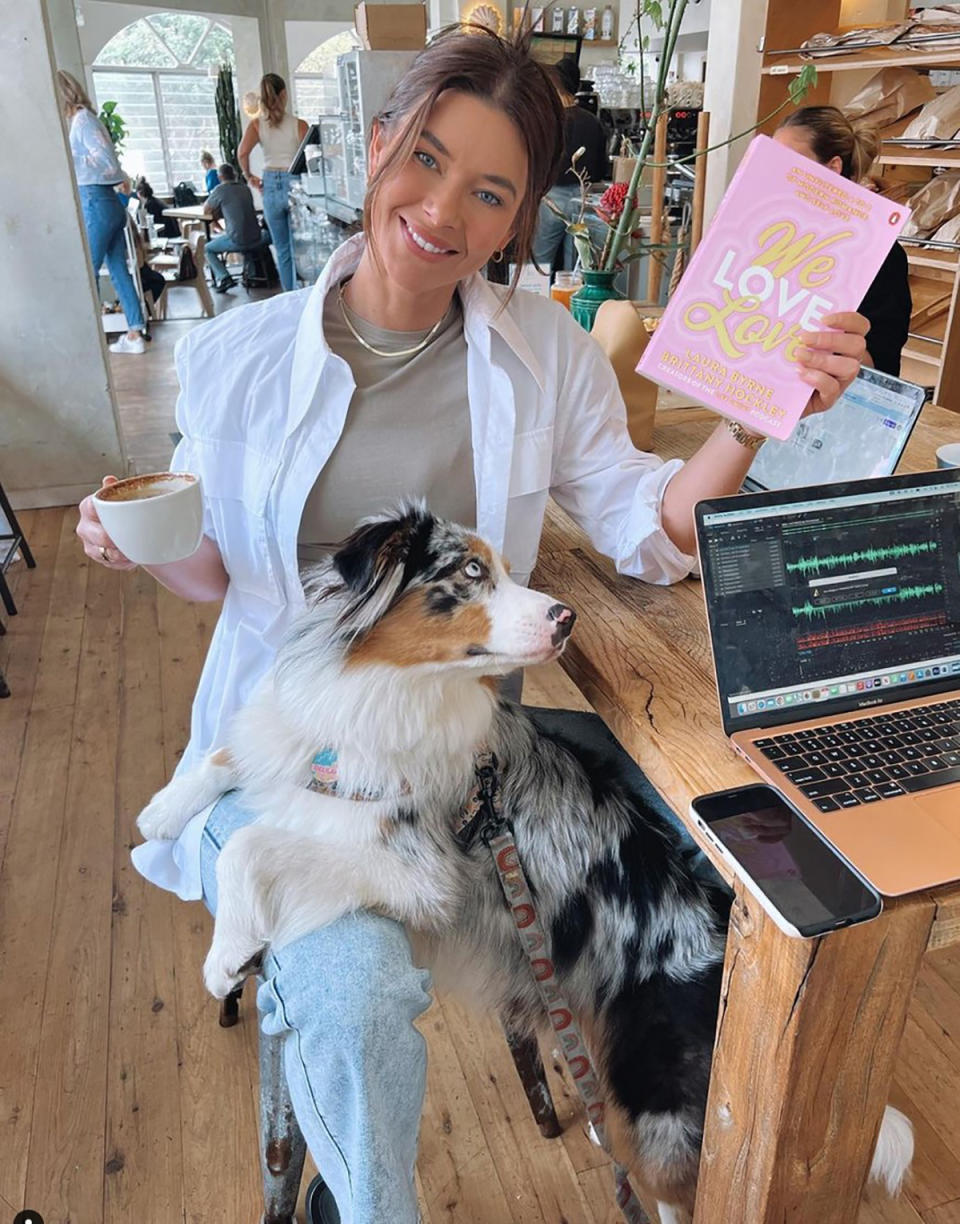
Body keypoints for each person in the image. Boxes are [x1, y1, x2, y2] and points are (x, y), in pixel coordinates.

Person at [76, 29, 868, 1224]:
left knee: (758, 852)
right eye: (428, 160)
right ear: (381, 141)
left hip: (469, 752)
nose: (442, 209)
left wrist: (759, 410)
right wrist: (131, 542)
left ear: (517, 220)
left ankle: (721, 1133)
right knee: (348, 999)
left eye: (489, 192)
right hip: (293, 756)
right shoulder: (240, 355)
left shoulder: (542, 351)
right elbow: (211, 575)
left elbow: (644, 529)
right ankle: (369, 1204)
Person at [774, 105, 912, 377]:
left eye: (788, 161)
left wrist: (839, 355)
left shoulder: (881, 255)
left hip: (823, 404)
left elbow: (881, 366)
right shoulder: (772, 236)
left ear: (833, 168)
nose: (777, 172)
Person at [57, 69, 146, 355]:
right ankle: (135, 333)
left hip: (96, 199)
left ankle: (88, 342)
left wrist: (67, 156)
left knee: (87, 271)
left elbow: (106, 161)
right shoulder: (84, 120)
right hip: (104, 201)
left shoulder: (81, 121)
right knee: (119, 270)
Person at [532, 54, 609, 272]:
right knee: (576, 263)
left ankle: (535, 300)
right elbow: (601, 168)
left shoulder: (547, 120)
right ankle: (569, 305)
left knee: (540, 261)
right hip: (583, 198)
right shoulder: (593, 121)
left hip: (550, 199)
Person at [238, 73, 308, 292]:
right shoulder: (300, 125)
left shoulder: (257, 126)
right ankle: (306, 295)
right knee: (301, 245)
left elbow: (242, 153)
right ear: (284, 94)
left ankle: (290, 296)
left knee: (283, 249)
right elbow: (312, 158)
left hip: (269, 184)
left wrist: (249, 176)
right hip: (294, 183)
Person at [202, 163, 268, 293]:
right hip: (257, 238)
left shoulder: (220, 190)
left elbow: (206, 209)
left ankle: (224, 277)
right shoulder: (245, 188)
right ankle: (252, 276)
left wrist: (215, 220)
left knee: (207, 249)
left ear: (220, 177)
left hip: (238, 240)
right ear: (235, 175)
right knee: (250, 237)